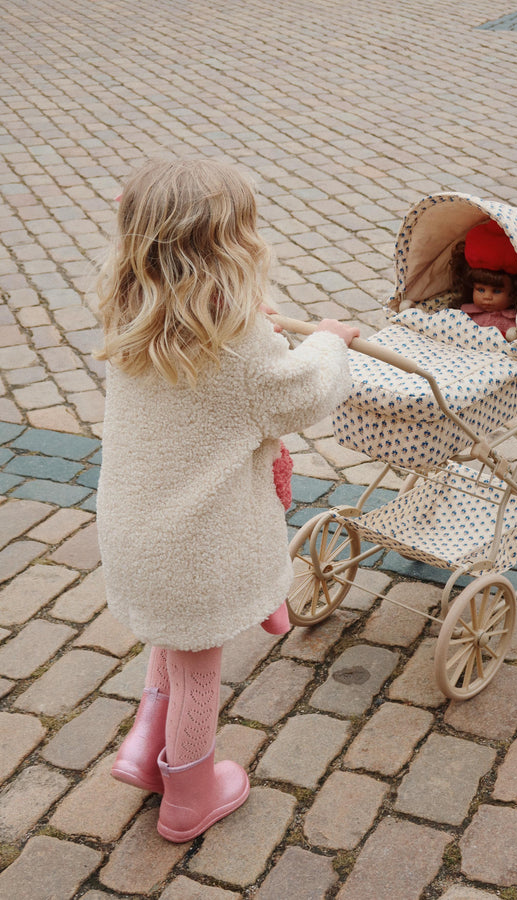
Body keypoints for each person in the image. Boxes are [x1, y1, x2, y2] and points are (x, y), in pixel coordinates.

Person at [96, 157, 359, 843]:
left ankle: (141, 748)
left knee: (173, 641)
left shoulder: (131, 307)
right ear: (231, 245)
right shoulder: (237, 343)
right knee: (199, 672)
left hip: (135, 534)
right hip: (195, 548)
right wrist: (331, 340)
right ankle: (189, 792)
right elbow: (298, 391)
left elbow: (221, 341)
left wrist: (253, 315)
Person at [450, 219, 517, 338]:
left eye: (497, 291)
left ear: (514, 292)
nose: (487, 297)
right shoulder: (465, 315)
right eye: (480, 290)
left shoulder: (514, 323)